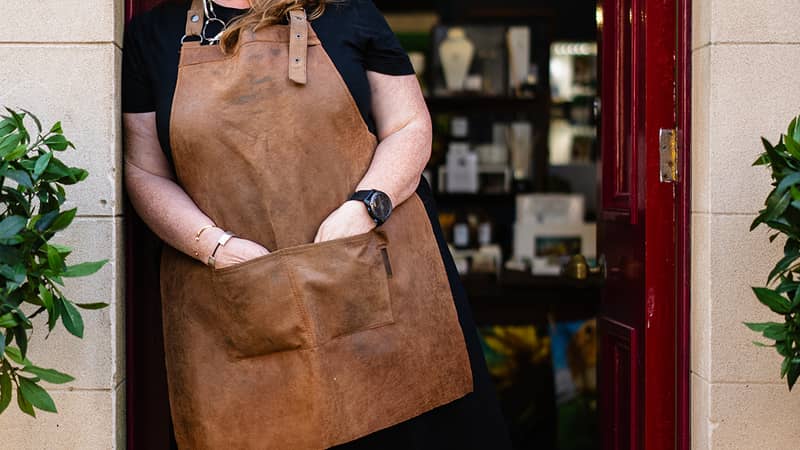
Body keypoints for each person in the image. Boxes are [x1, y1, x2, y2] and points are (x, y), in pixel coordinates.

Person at [122, 0, 511, 448]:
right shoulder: (153, 36)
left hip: (374, 278)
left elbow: (408, 125)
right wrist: (213, 245)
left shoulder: (349, 14)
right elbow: (145, 170)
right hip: (239, 292)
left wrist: (364, 208)